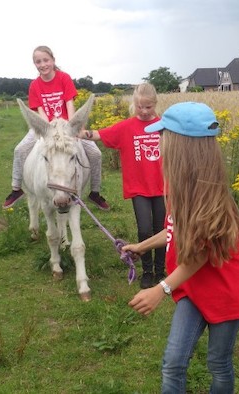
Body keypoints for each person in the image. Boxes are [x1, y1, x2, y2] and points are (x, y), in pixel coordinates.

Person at [123, 102, 239, 393]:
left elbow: (199, 256)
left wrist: (160, 289)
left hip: (225, 296)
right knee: (173, 363)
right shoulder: (180, 186)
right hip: (192, 290)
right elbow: (173, 230)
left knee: (219, 363)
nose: (159, 142)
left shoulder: (212, 200)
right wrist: (142, 246)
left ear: (181, 146)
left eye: (163, 136)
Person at [78, 83, 166, 289]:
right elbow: (99, 134)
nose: (144, 111)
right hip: (139, 188)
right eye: (139, 107)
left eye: (148, 107)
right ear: (134, 104)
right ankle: (147, 270)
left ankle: (161, 271)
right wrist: (78, 132)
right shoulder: (127, 127)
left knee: (161, 230)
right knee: (145, 230)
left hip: (163, 188)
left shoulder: (164, 126)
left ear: (155, 104)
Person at [3, 45, 109, 210]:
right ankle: (16, 188)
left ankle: (95, 192)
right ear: (35, 64)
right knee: (20, 150)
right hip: (46, 128)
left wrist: (73, 128)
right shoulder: (35, 86)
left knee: (95, 153)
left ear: (53, 60)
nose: (43, 64)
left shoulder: (64, 78)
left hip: (67, 128)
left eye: (46, 60)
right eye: (38, 62)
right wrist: (49, 131)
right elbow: (40, 111)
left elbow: (70, 104)